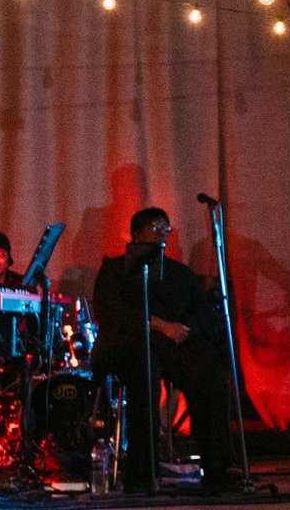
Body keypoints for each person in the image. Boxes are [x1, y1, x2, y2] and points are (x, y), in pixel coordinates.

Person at [92, 207, 237, 493]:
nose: (162, 235)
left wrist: (184, 330)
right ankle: (142, 471)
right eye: (154, 229)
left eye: (166, 230)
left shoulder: (181, 274)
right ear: (136, 234)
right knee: (143, 371)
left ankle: (217, 464)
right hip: (132, 343)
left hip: (175, 344)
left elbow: (202, 315)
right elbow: (110, 312)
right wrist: (157, 325)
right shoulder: (114, 269)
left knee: (209, 371)